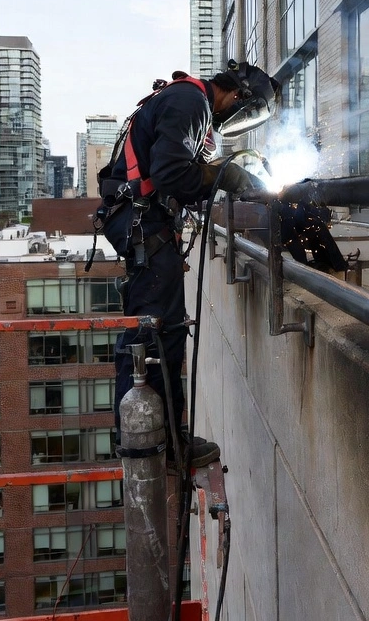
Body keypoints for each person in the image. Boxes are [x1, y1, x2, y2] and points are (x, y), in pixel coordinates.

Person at [110, 60, 278, 468]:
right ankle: (162, 443)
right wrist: (227, 177)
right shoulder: (192, 102)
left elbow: (175, 173)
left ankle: (149, 434)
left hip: (140, 223)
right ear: (238, 98)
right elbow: (171, 175)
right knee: (157, 333)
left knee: (152, 329)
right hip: (142, 225)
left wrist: (218, 177)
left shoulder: (185, 99)